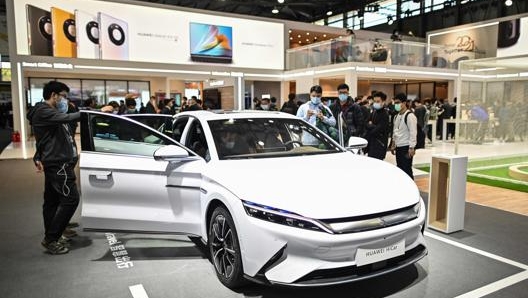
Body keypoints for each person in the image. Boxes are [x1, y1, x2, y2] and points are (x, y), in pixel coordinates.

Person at [26, 81, 80, 254]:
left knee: (52, 201)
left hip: (57, 161)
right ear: (54, 95)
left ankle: (55, 231)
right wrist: (89, 113)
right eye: (63, 96)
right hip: (58, 164)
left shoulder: (50, 112)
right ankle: (52, 238)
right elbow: (68, 118)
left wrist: (38, 155)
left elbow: (45, 139)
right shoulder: (44, 111)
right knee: (71, 199)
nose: (65, 100)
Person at [390, 93, 417, 179]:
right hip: (399, 146)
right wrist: (393, 143)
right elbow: (395, 131)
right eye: (395, 103)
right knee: (400, 168)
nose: (396, 105)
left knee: (407, 169)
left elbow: (413, 132)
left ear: (404, 103)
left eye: (398, 102)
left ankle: (412, 188)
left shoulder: (410, 116)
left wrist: (412, 147)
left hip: (406, 147)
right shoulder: (396, 116)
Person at [365, 92, 389, 160]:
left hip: (380, 145)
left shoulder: (385, 114)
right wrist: (373, 126)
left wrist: (371, 125)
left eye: (378, 101)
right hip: (371, 144)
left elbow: (378, 130)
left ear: (383, 102)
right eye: (374, 101)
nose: (376, 103)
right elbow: (366, 123)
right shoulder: (374, 112)